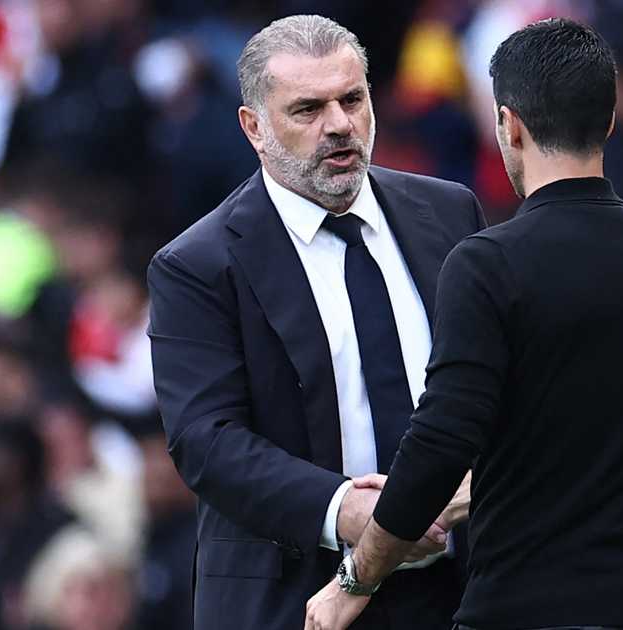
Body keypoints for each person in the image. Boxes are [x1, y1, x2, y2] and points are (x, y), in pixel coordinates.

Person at [305, 18, 623, 630]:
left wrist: (355, 578)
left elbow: (443, 440)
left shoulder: (488, 263)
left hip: (537, 604)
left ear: (509, 125)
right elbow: (610, 441)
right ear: (607, 121)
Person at [146, 14, 485, 630]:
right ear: (254, 127)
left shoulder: (449, 211)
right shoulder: (197, 264)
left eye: (352, 100)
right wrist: (349, 514)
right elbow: (207, 439)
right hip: (295, 595)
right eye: (307, 109)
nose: (339, 125)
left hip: (460, 589)